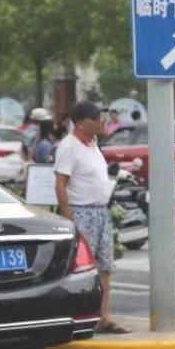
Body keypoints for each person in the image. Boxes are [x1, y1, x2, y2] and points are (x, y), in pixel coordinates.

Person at [54, 101, 129, 335]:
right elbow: (60, 185)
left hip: (100, 212)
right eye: (95, 118)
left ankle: (103, 317)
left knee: (104, 265)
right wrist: (69, 220)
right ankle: (80, 317)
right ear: (80, 122)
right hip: (80, 212)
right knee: (82, 268)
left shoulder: (94, 143)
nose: (101, 122)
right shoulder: (69, 146)